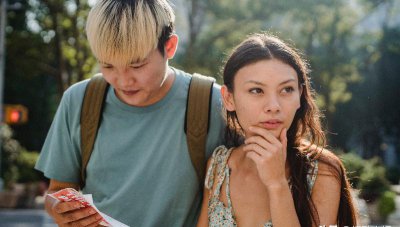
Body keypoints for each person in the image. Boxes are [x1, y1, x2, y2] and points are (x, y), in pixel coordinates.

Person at [34, 0, 224, 226]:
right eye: (108, 66)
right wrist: (59, 208)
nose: (123, 81)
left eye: (137, 65)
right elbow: (58, 190)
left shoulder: (214, 103)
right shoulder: (79, 100)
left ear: (170, 47)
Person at [197, 33, 358, 227]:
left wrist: (277, 184)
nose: (273, 106)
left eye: (286, 89)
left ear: (300, 94)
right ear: (229, 98)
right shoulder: (219, 165)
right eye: (256, 90)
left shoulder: (323, 171)